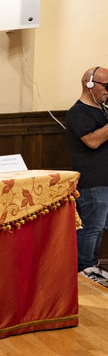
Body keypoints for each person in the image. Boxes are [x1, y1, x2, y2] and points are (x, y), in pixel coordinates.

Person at [65, 66, 108, 284]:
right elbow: (92, 141)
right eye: (105, 85)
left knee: (99, 229)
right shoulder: (78, 112)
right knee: (91, 229)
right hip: (93, 181)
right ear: (88, 84)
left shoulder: (103, 110)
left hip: (104, 180)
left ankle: (92, 269)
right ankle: (83, 272)